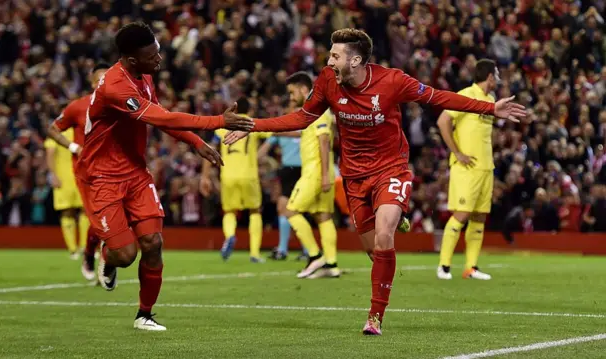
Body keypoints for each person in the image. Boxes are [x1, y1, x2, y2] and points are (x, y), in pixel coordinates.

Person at [223, 28, 526, 335]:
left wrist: (491, 107)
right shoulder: (328, 81)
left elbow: (437, 97)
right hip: (355, 177)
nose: (328, 61)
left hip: (390, 169)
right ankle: (394, 220)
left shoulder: (392, 81)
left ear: (355, 61)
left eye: (335, 56)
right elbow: (302, 118)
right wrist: (254, 125)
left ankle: (375, 315)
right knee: (374, 252)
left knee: (384, 237)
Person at [77, 22, 253, 331]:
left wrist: (196, 143)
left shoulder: (143, 77)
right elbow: (162, 116)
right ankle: (108, 256)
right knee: (126, 253)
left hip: (135, 173)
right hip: (102, 177)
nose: (160, 59)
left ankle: (144, 314)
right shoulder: (115, 86)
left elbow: (160, 118)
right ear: (132, 59)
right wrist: (215, 121)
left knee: (153, 242)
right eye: (153, 55)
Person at [436, 59, 500, 281]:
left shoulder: (491, 100)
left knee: (479, 217)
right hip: (466, 168)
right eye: (496, 75)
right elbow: (443, 120)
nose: (498, 79)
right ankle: (443, 266)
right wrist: (457, 152)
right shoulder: (465, 95)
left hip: (485, 167)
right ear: (490, 77)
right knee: (460, 215)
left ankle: (471, 268)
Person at [46, 62, 110, 281]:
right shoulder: (78, 107)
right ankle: (91, 255)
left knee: (111, 218)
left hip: (115, 170)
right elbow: (53, 130)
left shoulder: (123, 106)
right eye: (100, 79)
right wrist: (74, 147)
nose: (104, 83)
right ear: (92, 83)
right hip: (87, 173)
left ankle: (96, 254)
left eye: (107, 79)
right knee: (97, 218)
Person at [275, 71, 339, 278]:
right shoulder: (313, 111)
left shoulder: (318, 110)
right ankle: (331, 264)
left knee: (289, 210)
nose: (291, 98)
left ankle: (314, 256)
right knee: (323, 217)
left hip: (315, 170)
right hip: (322, 170)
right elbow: (303, 132)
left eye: (293, 93)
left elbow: (323, 140)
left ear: (304, 89)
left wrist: (324, 176)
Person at [199, 97, 272, 263]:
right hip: (249, 175)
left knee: (230, 211)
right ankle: (254, 253)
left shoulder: (222, 128)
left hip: (228, 176)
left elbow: (210, 149)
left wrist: (204, 176)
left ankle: (230, 236)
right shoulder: (251, 123)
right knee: (254, 211)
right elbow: (272, 131)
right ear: (250, 110)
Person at [258, 124, 303, 261]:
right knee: (300, 210)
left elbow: (261, 154)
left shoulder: (282, 129)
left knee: (283, 209)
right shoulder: (308, 126)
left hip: (289, 170)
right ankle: (306, 251)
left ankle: (284, 250)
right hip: (306, 169)